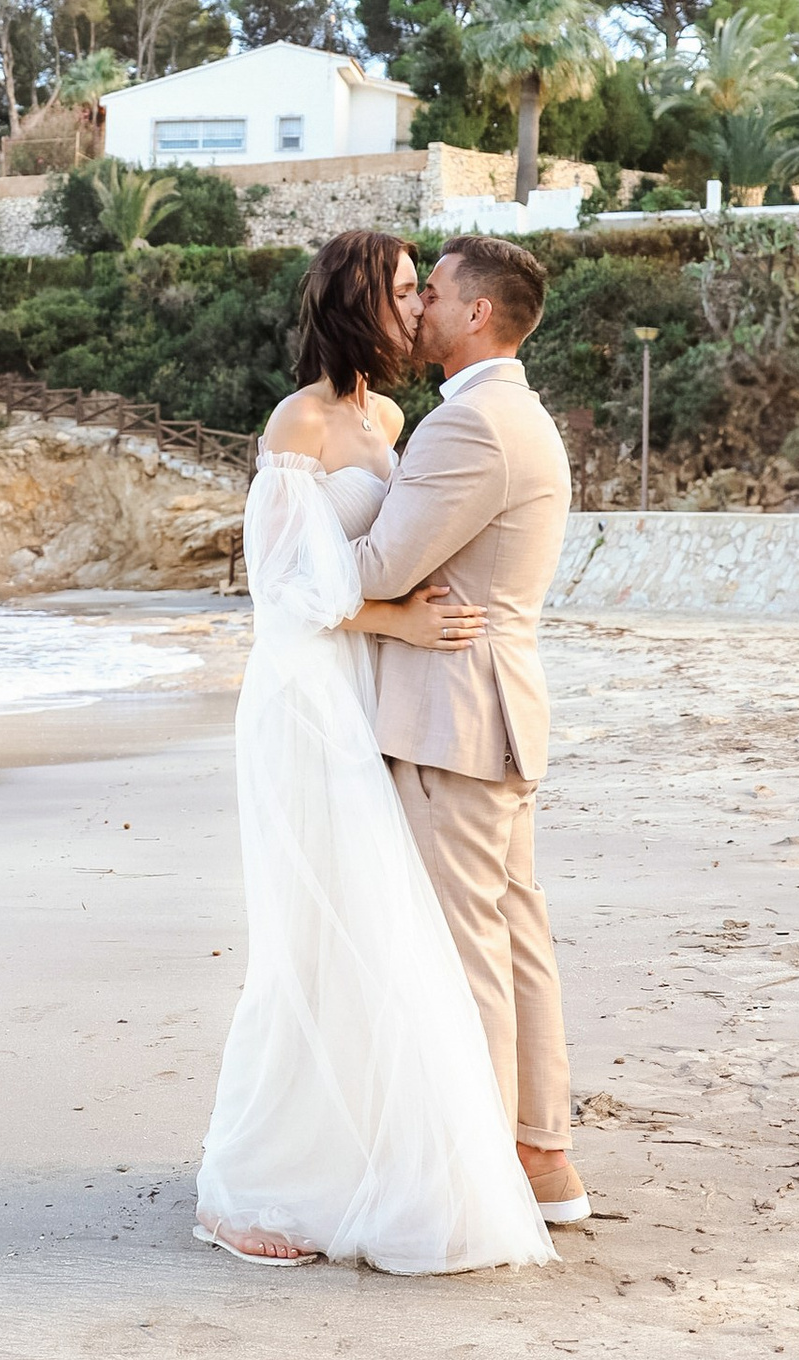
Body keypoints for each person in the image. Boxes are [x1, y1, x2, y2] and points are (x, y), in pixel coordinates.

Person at [193, 229, 555, 1274]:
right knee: (310, 931)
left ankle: (358, 1153)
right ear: (359, 301)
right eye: (401, 289)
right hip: (310, 694)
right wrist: (394, 621)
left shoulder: (394, 419)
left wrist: (396, 622)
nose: (415, 305)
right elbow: (280, 588)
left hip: (371, 697)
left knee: (374, 931)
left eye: (421, 289)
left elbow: (403, 544)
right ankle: (246, 1184)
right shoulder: (298, 420)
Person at [346, 232, 587, 1227]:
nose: (419, 309)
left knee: (465, 952)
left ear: (478, 312)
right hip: (500, 711)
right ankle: (541, 1156)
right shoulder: (516, 413)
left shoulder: (469, 426)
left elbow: (377, 567)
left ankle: (474, 1175)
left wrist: (295, 551)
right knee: (516, 935)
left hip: (454, 715)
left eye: (433, 293)